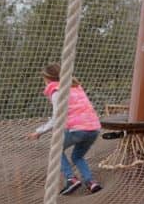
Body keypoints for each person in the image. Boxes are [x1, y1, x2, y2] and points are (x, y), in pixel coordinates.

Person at [27, 63, 103, 195]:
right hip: (94, 128)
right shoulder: (76, 86)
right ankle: (91, 182)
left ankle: (71, 179)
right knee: (77, 157)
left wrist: (39, 131)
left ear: (48, 78)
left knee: (56, 150)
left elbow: (58, 117)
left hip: (77, 129)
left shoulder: (56, 91)